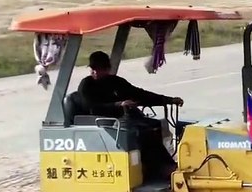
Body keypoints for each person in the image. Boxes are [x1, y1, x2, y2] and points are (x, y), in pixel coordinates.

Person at [75, 51, 183, 180]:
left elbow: (139, 94)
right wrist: (118, 104)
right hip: (100, 122)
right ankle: (160, 168)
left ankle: (159, 166)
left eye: (99, 69)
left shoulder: (115, 82)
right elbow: (91, 107)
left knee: (153, 126)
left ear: (107, 68)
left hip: (119, 121)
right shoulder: (86, 85)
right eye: (93, 69)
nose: (95, 72)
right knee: (141, 132)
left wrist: (168, 100)